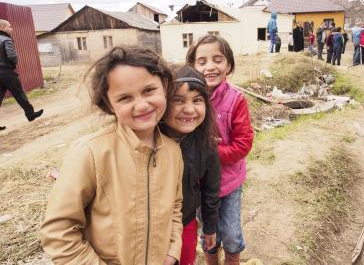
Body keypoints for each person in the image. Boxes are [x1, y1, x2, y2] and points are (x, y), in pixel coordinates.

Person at [40, 47, 184, 264]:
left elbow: (175, 206)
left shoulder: (173, 151)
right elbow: (58, 231)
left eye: (149, 90)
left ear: (164, 86)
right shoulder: (90, 153)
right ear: (109, 103)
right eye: (125, 98)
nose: (142, 105)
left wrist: (172, 251)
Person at [186, 35, 254, 264]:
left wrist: (211, 154)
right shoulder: (187, 102)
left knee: (232, 234)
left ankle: (233, 259)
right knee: (208, 235)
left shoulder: (236, 100)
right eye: (202, 61)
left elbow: (243, 144)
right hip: (201, 186)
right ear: (192, 67)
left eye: (218, 59)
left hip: (229, 183)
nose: (210, 66)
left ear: (229, 66)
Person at [161, 66, 220, 265]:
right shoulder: (149, 140)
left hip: (186, 223)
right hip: (151, 229)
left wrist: (210, 227)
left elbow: (211, 190)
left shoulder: (207, 144)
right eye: (177, 100)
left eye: (197, 100)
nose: (189, 109)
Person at [0, 19, 43, 130]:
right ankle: (30, 115)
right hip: (7, 73)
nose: (11, 29)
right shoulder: (6, 40)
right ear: (2, 28)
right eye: (9, 26)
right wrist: (14, 63)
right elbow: (12, 57)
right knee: (19, 94)